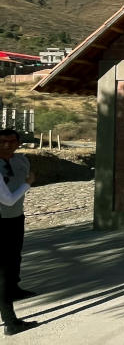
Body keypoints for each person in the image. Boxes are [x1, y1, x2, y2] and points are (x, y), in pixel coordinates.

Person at [0, 129, 37, 335]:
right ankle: (10, 321)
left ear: (18, 143)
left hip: (15, 216)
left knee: (14, 257)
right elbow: (8, 197)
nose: (6, 145)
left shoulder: (22, 161)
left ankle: (15, 289)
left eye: (11, 141)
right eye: (2, 141)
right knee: (3, 270)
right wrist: (27, 184)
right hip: (1, 218)